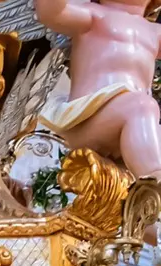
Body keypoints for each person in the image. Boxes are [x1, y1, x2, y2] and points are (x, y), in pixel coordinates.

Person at [36, 0, 161, 180]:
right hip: (88, 118)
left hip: (136, 124)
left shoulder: (154, 32)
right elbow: (51, 12)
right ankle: (154, 181)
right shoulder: (94, 15)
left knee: (144, 111)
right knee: (141, 106)